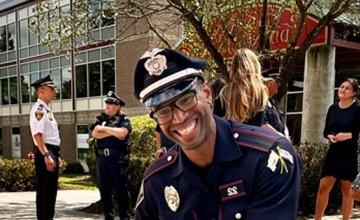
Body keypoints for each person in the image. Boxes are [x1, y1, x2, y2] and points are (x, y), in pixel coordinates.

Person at [133, 48, 301, 219]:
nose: (178, 118)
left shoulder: (269, 157)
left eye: (186, 99)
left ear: (207, 93)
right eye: (163, 111)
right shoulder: (156, 180)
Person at [315, 78, 360, 220]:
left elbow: (358, 132)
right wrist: (329, 136)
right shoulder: (333, 108)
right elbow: (326, 131)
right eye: (341, 87)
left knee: (347, 190)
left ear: (353, 93)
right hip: (334, 152)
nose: (343, 89)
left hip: (349, 153)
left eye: (347, 88)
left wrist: (348, 135)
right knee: (323, 186)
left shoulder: (358, 109)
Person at [90, 91, 132, 220]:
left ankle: (125, 217)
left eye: (110, 104)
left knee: (121, 190)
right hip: (102, 159)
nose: (107, 106)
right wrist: (113, 131)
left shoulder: (123, 119)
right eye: (106, 103)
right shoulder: (100, 118)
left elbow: (123, 133)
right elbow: (95, 134)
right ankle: (109, 217)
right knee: (105, 191)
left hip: (118, 159)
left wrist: (105, 129)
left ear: (118, 106)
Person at [29, 74, 61, 220]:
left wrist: (55, 155)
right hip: (45, 152)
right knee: (45, 191)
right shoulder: (39, 109)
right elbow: (38, 135)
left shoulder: (47, 110)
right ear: (41, 91)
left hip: (51, 151)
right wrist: (47, 155)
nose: (54, 91)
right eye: (51, 89)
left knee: (51, 191)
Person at [219, 48, 270, 127]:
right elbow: (262, 123)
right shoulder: (260, 93)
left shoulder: (224, 93)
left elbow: (215, 121)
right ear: (255, 66)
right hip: (252, 137)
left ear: (234, 67)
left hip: (229, 136)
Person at [262, 69, 290, 138]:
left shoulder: (273, 103)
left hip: (279, 141)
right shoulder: (260, 102)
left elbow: (282, 122)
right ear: (268, 82)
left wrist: (286, 135)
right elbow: (263, 124)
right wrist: (281, 138)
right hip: (269, 141)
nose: (279, 85)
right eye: (277, 82)